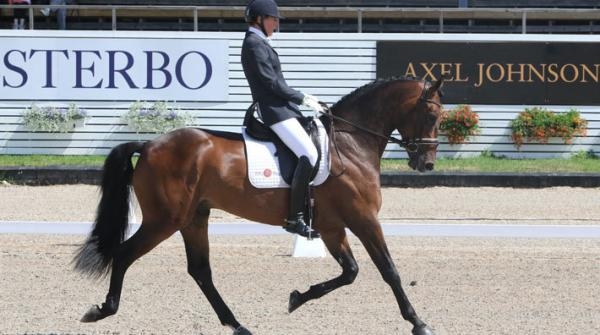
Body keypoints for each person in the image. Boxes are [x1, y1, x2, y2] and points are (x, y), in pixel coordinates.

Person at [241, 0, 323, 238]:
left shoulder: (260, 43)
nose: (276, 24)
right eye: (273, 19)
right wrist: (302, 98)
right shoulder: (254, 44)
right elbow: (271, 83)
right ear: (259, 19)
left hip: (283, 108)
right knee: (308, 154)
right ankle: (294, 218)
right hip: (274, 111)